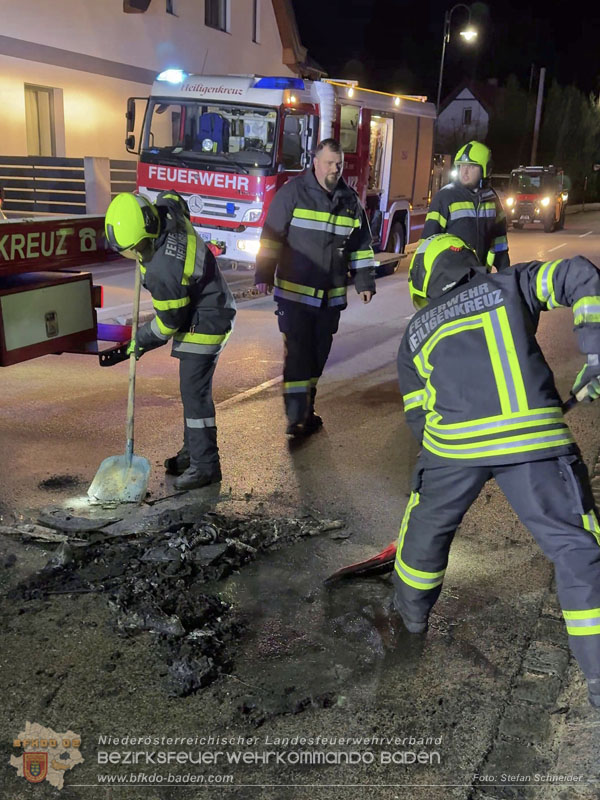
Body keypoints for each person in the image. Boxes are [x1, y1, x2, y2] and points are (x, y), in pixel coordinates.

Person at [394, 232, 600, 708]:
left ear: (423, 283)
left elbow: (418, 416)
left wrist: (436, 471)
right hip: (532, 440)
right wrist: (595, 352)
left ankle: (409, 623)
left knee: (424, 535)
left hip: (452, 448)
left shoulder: (416, 331)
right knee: (574, 547)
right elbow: (578, 274)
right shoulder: (511, 283)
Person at [104, 190, 236, 490]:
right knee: (192, 393)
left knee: (194, 394)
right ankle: (193, 454)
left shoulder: (163, 270)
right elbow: (173, 198)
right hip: (210, 304)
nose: (135, 252)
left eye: (136, 247)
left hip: (206, 320)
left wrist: (139, 341)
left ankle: (206, 466)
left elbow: (167, 325)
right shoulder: (167, 211)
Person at [254, 138, 376, 437]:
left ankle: (306, 411)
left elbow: (361, 246)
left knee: (318, 356)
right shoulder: (293, 193)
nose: (335, 169)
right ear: (316, 162)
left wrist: (364, 281)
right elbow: (271, 237)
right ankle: (296, 417)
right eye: (330, 163)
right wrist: (264, 274)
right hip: (295, 295)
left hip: (329, 298)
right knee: (298, 354)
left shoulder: (349, 201)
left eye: (339, 164)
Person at [421, 141, 509, 271]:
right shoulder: (445, 197)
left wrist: (506, 272)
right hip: (451, 276)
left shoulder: (491, 198)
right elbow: (428, 240)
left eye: (471, 167)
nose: (465, 171)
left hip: (481, 274)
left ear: (484, 170)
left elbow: (499, 239)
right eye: (462, 166)